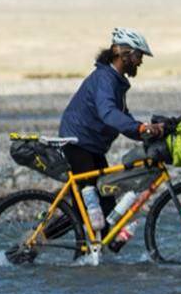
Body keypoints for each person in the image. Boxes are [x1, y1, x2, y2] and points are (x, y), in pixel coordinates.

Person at [58, 27, 164, 227]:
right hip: (78, 143)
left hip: (92, 146)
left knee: (105, 204)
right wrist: (140, 129)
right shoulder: (105, 79)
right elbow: (108, 113)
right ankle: (38, 240)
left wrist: (144, 131)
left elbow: (122, 116)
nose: (140, 61)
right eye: (139, 56)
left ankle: (96, 246)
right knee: (88, 209)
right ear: (124, 54)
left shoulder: (115, 80)